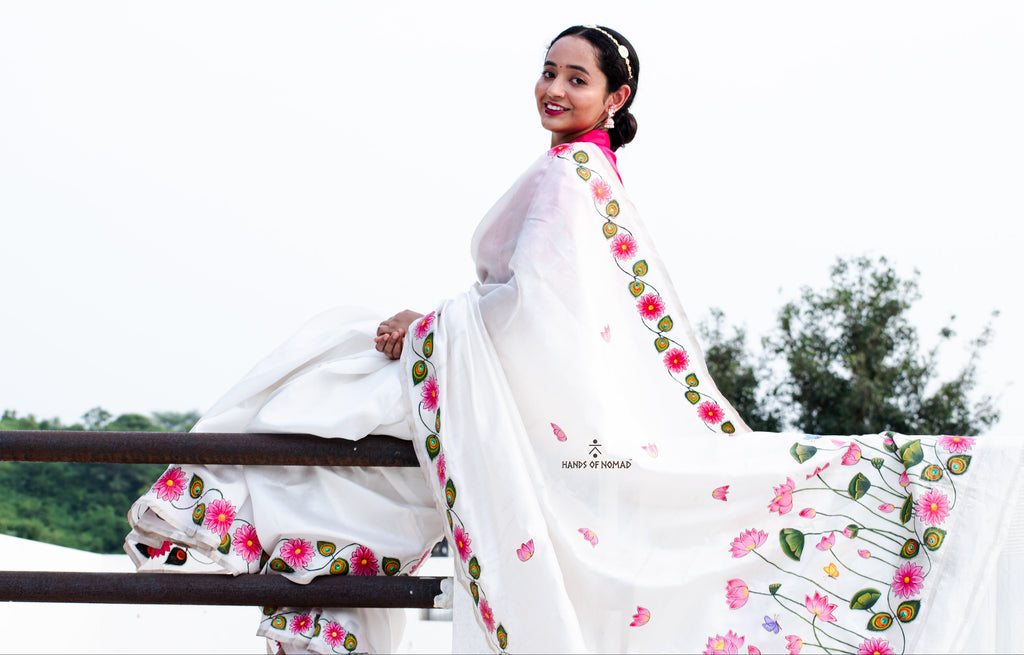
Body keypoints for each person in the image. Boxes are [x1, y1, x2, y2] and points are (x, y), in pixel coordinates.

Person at [126, 25, 1023, 654]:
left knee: (326, 366)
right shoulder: (589, 175)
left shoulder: (571, 178)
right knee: (344, 384)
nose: (553, 88)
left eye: (576, 77)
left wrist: (429, 326)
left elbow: (535, 312)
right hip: (497, 378)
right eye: (547, 70)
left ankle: (278, 547)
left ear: (615, 96)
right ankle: (317, 565)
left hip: (500, 380)